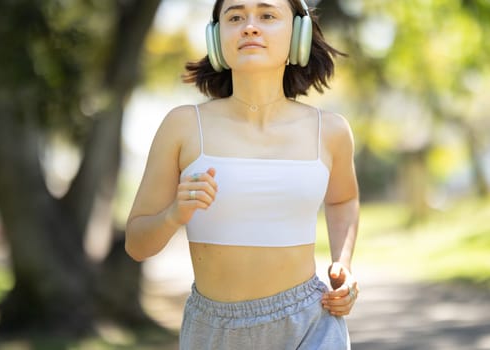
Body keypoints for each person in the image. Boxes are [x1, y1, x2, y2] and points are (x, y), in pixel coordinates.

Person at [125, 0, 359, 348]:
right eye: (235, 17)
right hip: (215, 330)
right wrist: (175, 214)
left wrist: (343, 264)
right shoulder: (183, 126)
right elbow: (137, 244)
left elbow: (343, 199)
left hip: (311, 324)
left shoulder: (331, 131)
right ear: (216, 36)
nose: (250, 26)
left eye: (267, 15)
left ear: (299, 33)